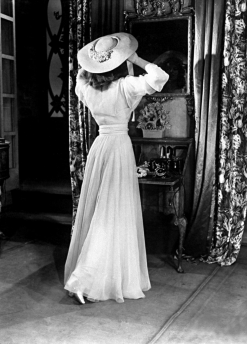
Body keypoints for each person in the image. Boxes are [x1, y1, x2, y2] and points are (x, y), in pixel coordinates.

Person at [64, 32, 169, 304]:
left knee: (103, 206)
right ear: (119, 62)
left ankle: (99, 273)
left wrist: (89, 66)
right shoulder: (125, 85)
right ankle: (85, 278)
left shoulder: (86, 89)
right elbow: (159, 77)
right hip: (119, 147)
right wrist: (137, 58)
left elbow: (77, 79)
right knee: (113, 209)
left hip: (100, 147)